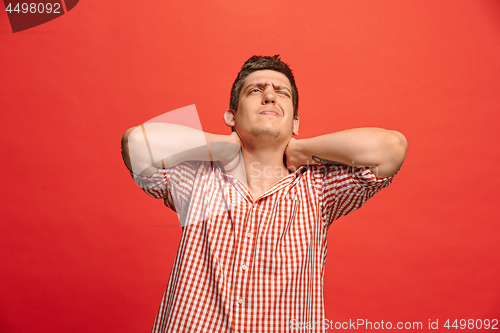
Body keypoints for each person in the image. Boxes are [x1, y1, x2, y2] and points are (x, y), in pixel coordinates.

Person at [121, 55, 407, 333]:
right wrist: (221, 145)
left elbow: (391, 148)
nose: (269, 96)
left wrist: (302, 150)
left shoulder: (318, 189)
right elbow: (136, 143)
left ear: (295, 123)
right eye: (256, 90)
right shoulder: (198, 178)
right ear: (231, 116)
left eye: (281, 92)